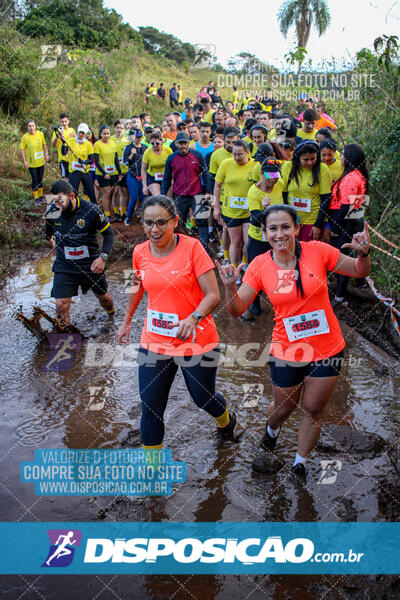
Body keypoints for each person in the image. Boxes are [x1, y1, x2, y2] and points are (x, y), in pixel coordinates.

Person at [216, 203, 371, 480]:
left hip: (327, 347)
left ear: (297, 228)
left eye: (286, 226)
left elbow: (358, 271)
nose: (280, 233)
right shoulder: (260, 265)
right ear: (264, 233)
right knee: (284, 407)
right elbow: (237, 310)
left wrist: (364, 254)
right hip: (287, 348)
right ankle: (271, 431)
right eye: (273, 228)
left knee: (313, 409)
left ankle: (299, 464)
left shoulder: (318, 251)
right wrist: (229, 287)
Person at [115, 195, 235, 448]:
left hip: (196, 339)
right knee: (151, 407)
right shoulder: (139, 252)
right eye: (148, 223)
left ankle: (225, 420)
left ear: (175, 221)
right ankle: (154, 471)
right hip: (155, 340)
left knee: (203, 398)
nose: (154, 230)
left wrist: (193, 317)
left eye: (161, 223)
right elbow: (135, 287)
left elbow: (213, 295)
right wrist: (126, 321)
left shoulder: (192, 248)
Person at [45, 180, 115, 324]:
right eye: (54, 201)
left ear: (72, 196)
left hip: (90, 265)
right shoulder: (52, 210)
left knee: (104, 299)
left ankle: (112, 317)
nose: (57, 205)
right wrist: (50, 237)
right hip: (65, 265)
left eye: (60, 201)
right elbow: (48, 228)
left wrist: (103, 257)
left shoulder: (91, 210)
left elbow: (109, 234)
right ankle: (67, 342)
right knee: (61, 305)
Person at [328, 143, 369, 307]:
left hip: (346, 221)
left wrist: (336, 228)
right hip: (354, 219)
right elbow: (362, 202)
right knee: (348, 253)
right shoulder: (359, 175)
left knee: (342, 257)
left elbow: (346, 206)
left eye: (343, 155)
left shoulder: (351, 178)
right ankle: (359, 283)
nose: (340, 158)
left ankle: (340, 295)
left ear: (350, 158)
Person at [245, 158, 284, 319]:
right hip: (258, 239)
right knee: (256, 272)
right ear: (261, 173)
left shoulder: (280, 184)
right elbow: (255, 219)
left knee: (279, 270)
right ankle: (254, 303)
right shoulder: (253, 192)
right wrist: (264, 209)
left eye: (277, 174)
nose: (274, 178)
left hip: (277, 238)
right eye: (271, 175)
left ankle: (281, 304)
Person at [161, 132, 212, 248]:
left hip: (198, 194)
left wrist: (208, 191)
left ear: (189, 143)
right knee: (179, 223)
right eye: (180, 143)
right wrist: (163, 196)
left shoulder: (197, 155)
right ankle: (180, 247)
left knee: (202, 221)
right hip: (180, 196)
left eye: (185, 143)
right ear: (176, 143)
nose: (183, 146)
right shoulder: (171, 158)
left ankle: (205, 247)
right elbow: (166, 178)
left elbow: (206, 174)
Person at [213, 140, 254, 270]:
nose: (236, 157)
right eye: (234, 154)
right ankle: (234, 268)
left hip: (249, 210)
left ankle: (245, 264)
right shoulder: (226, 164)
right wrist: (216, 207)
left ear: (247, 153)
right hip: (231, 211)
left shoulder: (255, 165)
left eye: (240, 154)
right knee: (236, 241)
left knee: (248, 243)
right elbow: (217, 185)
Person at [281, 140, 332, 242]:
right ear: (297, 158)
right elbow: (283, 193)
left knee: (309, 253)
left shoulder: (323, 169)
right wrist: (288, 217)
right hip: (293, 220)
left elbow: (326, 199)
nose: (310, 162)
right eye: (305, 159)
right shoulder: (288, 167)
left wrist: (318, 224)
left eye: (313, 158)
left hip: (312, 221)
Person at [93, 125, 121, 220]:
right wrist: (104, 173)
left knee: (113, 192)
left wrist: (119, 173)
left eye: (108, 133)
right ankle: (107, 214)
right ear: (100, 134)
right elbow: (96, 161)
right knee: (107, 193)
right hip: (102, 174)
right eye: (104, 133)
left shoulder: (113, 144)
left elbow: (116, 159)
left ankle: (114, 213)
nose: (106, 135)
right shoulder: (97, 144)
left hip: (113, 172)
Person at [64, 122, 96, 204]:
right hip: (74, 171)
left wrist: (83, 162)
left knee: (91, 192)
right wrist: (63, 143)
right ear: (77, 132)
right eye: (80, 132)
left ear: (86, 134)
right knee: (73, 192)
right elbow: (63, 152)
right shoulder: (71, 141)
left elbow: (91, 160)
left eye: (83, 133)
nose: (81, 134)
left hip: (84, 171)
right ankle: (74, 209)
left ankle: (94, 209)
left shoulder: (88, 144)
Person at [20, 119, 49, 200]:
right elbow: (22, 149)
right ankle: (36, 198)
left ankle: (40, 196)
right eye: (29, 126)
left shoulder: (40, 134)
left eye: (33, 126)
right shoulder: (25, 137)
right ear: (27, 127)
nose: (31, 128)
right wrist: (24, 161)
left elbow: (44, 145)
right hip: (31, 163)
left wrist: (46, 154)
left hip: (41, 162)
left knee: (40, 179)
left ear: (35, 126)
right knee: (35, 180)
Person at [123, 129, 147, 225]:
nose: (139, 139)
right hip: (132, 175)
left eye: (140, 137)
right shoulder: (128, 147)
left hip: (142, 175)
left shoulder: (145, 147)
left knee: (144, 197)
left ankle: (143, 217)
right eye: (137, 137)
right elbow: (124, 162)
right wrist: (132, 154)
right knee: (133, 197)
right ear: (133, 137)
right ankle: (128, 217)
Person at [141, 132, 173, 197]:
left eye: (157, 143)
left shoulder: (168, 150)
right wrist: (144, 185)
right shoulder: (147, 152)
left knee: (169, 198)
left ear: (161, 142)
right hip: (153, 177)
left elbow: (173, 166)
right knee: (158, 196)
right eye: (152, 143)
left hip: (166, 176)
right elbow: (143, 169)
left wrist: (173, 180)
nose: (155, 145)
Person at [110, 120, 129, 222]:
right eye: (117, 127)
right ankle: (116, 212)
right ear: (114, 128)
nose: (119, 130)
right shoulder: (111, 139)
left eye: (121, 128)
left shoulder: (126, 140)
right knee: (115, 191)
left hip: (124, 169)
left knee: (124, 191)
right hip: (113, 169)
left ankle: (123, 213)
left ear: (124, 129)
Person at [51, 113, 76, 180]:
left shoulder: (72, 130)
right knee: (65, 178)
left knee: (72, 178)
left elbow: (76, 144)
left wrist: (75, 137)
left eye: (65, 121)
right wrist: (57, 137)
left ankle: (71, 190)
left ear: (68, 121)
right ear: (60, 122)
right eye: (62, 122)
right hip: (62, 158)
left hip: (71, 159)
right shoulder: (57, 131)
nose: (64, 123)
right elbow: (52, 145)